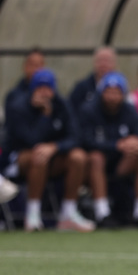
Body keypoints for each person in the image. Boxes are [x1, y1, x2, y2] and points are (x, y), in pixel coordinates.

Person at [2, 69, 95, 232]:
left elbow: (75, 136)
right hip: (20, 160)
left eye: (48, 88)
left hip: (53, 158)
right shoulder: (18, 107)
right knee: (39, 156)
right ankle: (32, 215)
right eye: (40, 88)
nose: (44, 92)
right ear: (33, 88)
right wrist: (45, 116)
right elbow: (30, 140)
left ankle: (69, 213)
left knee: (78, 157)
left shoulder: (62, 105)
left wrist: (55, 147)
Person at [80, 72, 138, 227]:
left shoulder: (130, 110)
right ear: (102, 92)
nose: (112, 96)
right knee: (96, 157)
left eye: (117, 92)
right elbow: (85, 141)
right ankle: (102, 213)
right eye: (109, 91)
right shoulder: (89, 110)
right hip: (96, 165)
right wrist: (116, 145)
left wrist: (137, 143)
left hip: (123, 163)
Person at [69, 46, 117, 118]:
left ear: (114, 63)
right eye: (100, 60)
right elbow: (71, 112)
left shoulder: (121, 89)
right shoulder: (81, 87)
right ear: (94, 62)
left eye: (107, 61)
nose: (103, 65)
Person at [4, 48, 45, 115]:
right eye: (32, 64)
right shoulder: (14, 95)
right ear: (25, 66)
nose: (36, 69)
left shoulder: (51, 93)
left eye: (39, 65)